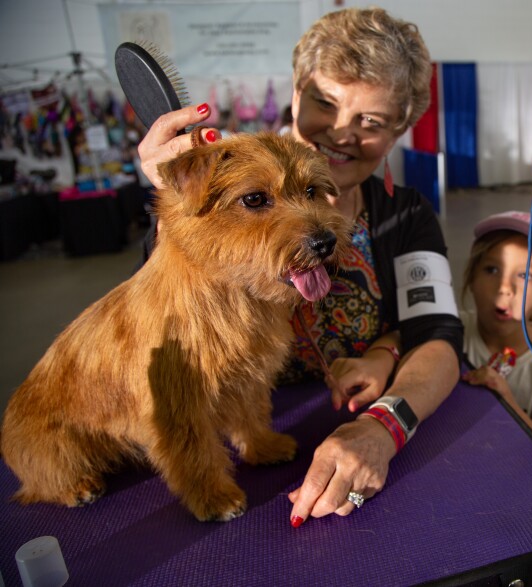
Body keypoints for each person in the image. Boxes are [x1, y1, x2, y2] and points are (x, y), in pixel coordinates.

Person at [136, 7, 463, 528]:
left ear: (401, 129)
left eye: (371, 122)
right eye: (324, 103)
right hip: (232, 451)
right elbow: (156, 336)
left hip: (353, 436)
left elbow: (439, 335)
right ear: (294, 94)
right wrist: (176, 210)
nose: (340, 133)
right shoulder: (218, 188)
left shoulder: (405, 214)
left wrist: (386, 420)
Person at [460, 211, 532, 459]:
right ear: (471, 278)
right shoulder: (452, 329)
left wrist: (506, 400)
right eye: (492, 269)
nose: (506, 288)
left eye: (526, 276)